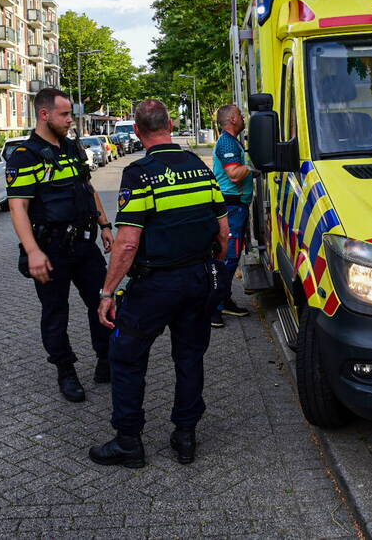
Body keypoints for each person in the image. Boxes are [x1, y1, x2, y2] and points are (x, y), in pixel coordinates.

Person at [89, 99, 229, 468]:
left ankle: (128, 441)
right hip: (198, 279)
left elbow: (128, 242)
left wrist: (107, 292)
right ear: (170, 125)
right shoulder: (199, 167)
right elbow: (223, 231)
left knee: (126, 356)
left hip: (155, 286)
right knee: (189, 357)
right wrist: (212, 267)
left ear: (137, 131)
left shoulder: (140, 173)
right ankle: (185, 436)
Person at [6, 88, 114, 403]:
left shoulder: (71, 147)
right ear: (44, 115)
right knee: (56, 312)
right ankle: (66, 371)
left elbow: (87, 187)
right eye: (64, 114)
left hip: (85, 245)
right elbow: (18, 207)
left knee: (103, 300)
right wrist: (33, 251)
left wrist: (104, 224)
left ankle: (106, 358)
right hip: (51, 250)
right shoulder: (24, 156)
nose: (70, 120)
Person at [209, 104, 254, 328]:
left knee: (232, 257)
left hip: (237, 208)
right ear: (233, 119)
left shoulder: (232, 141)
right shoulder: (226, 142)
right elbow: (234, 175)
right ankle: (213, 308)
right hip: (231, 208)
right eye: (240, 115)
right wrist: (252, 166)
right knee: (227, 258)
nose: (244, 117)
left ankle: (224, 301)